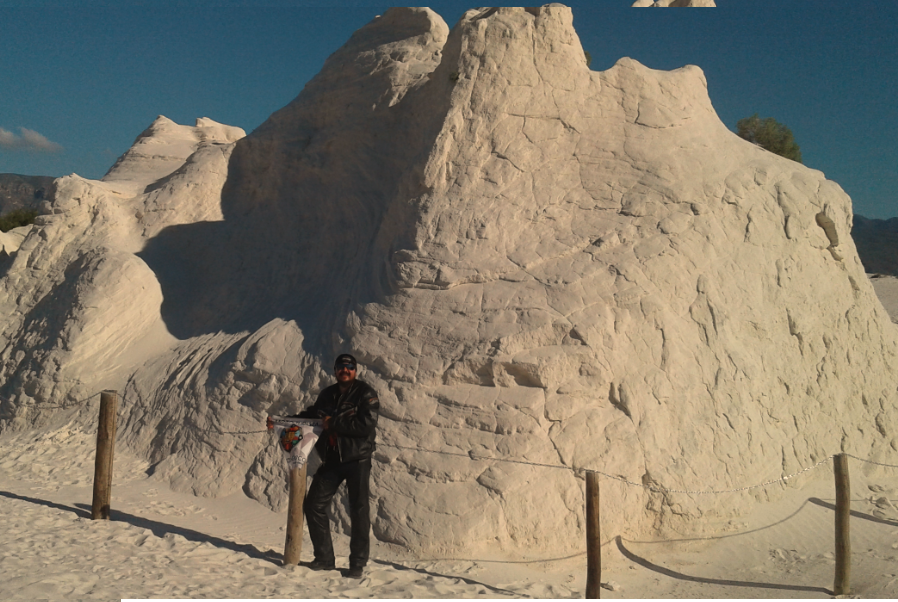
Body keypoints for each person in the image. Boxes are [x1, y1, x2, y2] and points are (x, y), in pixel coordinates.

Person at [294, 353, 379, 579]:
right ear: (335, 370)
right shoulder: (327, 395)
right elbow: (312, 417)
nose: (345, 370)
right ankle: (324, 558)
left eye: (350, 367)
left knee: (358, 510)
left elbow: (366, 424)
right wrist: (283, 421)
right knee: (313, 504)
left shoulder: (366, 394)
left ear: (355, 371)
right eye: (341, 366)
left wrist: (335, 423)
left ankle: (357, 564)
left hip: (357, 460)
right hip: (332, 459)